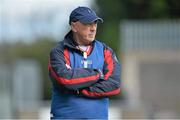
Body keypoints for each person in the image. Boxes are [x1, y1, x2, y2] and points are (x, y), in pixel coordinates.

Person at [48, 6, 121, 119]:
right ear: (74, 26)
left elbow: (114, 85)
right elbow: (66, 79)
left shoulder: (105, 51)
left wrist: (79, 90)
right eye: (88, 24)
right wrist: (98, 74)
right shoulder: (58, 52)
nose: (93, 28)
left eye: (95, 23)